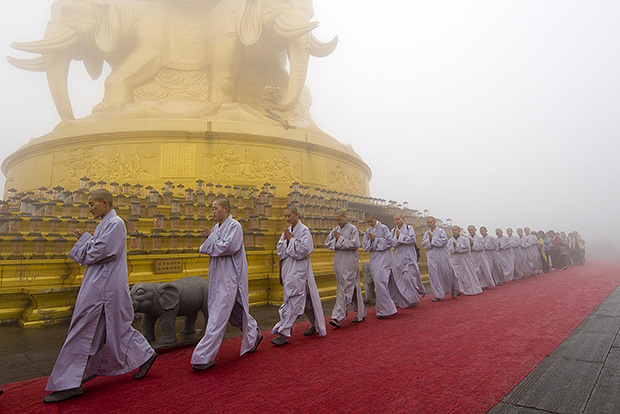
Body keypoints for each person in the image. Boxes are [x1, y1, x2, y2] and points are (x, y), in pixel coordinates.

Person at [44, 189, 157, 403]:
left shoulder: (115, 224)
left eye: (91, 203)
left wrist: (86, 241)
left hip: (104, 287)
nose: (89, 207)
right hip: (100, 284)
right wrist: (87, 239)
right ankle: (145, 354)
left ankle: (69, 383)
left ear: (104, 203)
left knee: (83, 330)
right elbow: (97, 248)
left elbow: (99, 252)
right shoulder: (105, 224)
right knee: (114, 328)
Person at [191, 198, 262, 371]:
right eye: (212, 209)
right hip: (218, 278)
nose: (213, 212)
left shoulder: (235, 226)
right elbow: (207, 248)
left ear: (226, 208)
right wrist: (212, 240)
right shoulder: (217, 228)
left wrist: (211, 240)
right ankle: (253, 333)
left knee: (217, 315)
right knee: (234, 314)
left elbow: (228, 247)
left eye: (216, 208)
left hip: (231, 278)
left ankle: (203, 356)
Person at [271, 205, 327, 345]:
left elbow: (305, 250)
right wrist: (288, 240)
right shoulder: (287, 231)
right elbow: (280, 250)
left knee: (293, 300)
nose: (287, 219)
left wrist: (291, 240)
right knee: (307, 301)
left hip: (299, 271)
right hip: (288, 269)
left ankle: (283, 332)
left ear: (296, 214)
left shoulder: (304, 230)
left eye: (289, 215)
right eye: (285, 216)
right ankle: (315, 324)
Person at [325, 209, 366, 328]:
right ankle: (361, 312)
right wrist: (337, 239)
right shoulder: (335, 230)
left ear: (345, 217)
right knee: (349, 287)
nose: (337, 222)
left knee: (346, 288)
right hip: (339, 263)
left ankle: (337, 316)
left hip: (349, 263)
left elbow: (355, 244)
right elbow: (328, 243)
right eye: (336, 220)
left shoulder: (353, 229)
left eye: (339, 219)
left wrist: (340, 239)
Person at [362, 213, 398, 318]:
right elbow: (365, 246)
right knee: (378, 283)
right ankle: (385, 309)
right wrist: (372, 241)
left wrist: (376, 239)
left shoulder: (384, 228)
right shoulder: (368, 231)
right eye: (368, 222)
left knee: (381, 282)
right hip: (374, 259)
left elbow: (389, 241)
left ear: (376, 218)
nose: (370, 224)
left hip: (385, 258)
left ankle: (387, 309)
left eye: (371, 221)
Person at [388, 214, 422, 308]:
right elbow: (392, 243)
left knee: (409, 277)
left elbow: (412, 239)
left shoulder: (409, 228)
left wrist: (400, 237)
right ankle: (404, 299)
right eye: (395, 220)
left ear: (402, 219)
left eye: (398, 219)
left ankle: (413, 299)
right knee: (400, 279)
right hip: (398, 256)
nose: (397, 221)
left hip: (409, 255)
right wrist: (398, 238)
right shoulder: (393, 231)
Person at [422, 217, 457, 302]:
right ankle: (437, 294)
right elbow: (424, 244)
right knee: (434, 274)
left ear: (434, 222)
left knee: (446, 273)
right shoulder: (427, 234)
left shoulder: (441, 231)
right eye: (428, 222)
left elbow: (444, 241)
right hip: (432, 256)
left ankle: (453, 288)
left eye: (431, 222)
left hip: (442, 255)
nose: (429, 224)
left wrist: (433, 238)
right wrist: (430, 239)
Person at [447, 226, 483, 295]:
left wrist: (457, 246)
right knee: (457, 275)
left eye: (456, 230)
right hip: (455, 260)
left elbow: (467, 248)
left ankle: (470, 289)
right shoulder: (450, 240)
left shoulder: (464, 239)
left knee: (467, 274)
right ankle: (459, 289)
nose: (454, 231)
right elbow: (449, 250)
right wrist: (454, 247)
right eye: (453, 230)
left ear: (459, 231)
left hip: (464, 259)